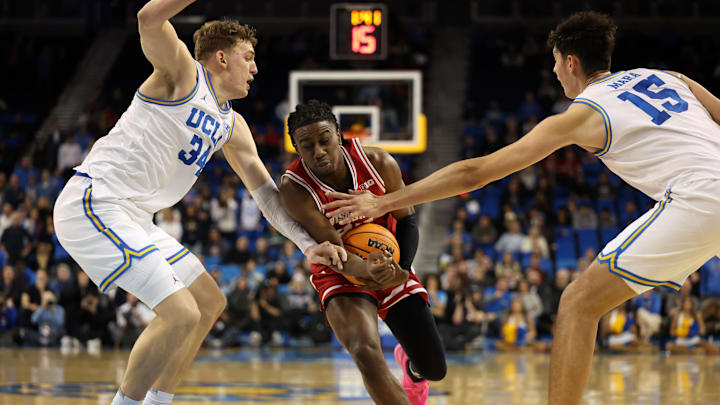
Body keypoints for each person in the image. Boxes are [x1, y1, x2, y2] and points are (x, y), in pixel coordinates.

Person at [322, 11, 720, 405]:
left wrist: (383, 201)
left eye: (555, 65)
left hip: (699, 196)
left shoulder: (584, 112)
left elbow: (475, 173)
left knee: (579, 304)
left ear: (571, 62)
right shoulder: (673, 79)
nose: (556, 74)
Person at [52, 3, 346, 405]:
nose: (255, 68)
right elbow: (148, 19)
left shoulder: (233, 125)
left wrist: (305, 244)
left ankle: (159, 401)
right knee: (181, 313)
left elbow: (267, 197)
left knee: (208, 303)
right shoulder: (183, 74)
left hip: (136, 216)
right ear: (221, 58)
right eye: (248, 57)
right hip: (96, 201)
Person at [278, 100, 446, 405]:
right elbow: (334, 248)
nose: (318, 151)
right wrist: (367, 271)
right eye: (307, 145)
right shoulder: (294, 188)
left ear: (338, 135)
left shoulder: (379, 162)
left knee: (434, 368)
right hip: (339, 270)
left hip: (389, 259)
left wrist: (402, 269)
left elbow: (407, 219)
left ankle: (412, 369)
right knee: (365, 352)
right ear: (296, 148)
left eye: (324, 140)